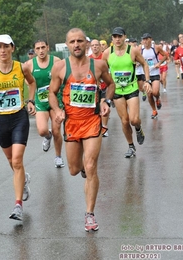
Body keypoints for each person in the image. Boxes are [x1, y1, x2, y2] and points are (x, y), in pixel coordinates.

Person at [48, 28, 115, 231]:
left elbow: (110, 85)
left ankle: (89, 214)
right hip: (72, 124)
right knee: (74, 169)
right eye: (72, 41)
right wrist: (57, 109)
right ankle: (84, 168)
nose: (76, 44)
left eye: (79, 41)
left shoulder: (99, 65)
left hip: (92, 121)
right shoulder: (60, 67)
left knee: (92, 165)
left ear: (86, 44)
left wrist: (106, 100)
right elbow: (52, 93)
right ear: (67, 45)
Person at [0, 34, 36, 221]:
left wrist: (31, 100)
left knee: (17, 160)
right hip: (0, 120)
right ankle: (23, 180)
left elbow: (32, 82)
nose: (2, 50)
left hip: (19, 117)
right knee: (11, 160)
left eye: (6, 46)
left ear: (12, 48)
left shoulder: (21, 67)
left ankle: (18, 205)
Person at [101, 27, 152, 158]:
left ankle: (138, 128)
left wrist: (147, 81)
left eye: (120, 36)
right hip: (117, 90)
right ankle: (131, 146)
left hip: (132, 88)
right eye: (115, 37)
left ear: (125, 37)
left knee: (134, 120)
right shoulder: (107, 53)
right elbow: (101, 70)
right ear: (112, 39)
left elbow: (145, 64)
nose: (117, 39)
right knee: (124, 121)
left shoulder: (132, 51)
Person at [24, 39, 64, 167]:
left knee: (57, 131)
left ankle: (58, 157)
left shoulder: (57, 61)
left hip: (56, 101)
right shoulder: (29, 64)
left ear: (48, 47)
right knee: (42, 130)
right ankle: (48, 136)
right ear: (34, 50)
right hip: (40, 102)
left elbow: (65, 78)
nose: (41, 51)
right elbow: (28, 82)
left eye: (43, 47)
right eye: (38, 48)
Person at [135, 33, 168, 119]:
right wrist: (137, 63)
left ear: (151, 39)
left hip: (155, 73)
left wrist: (159, 63)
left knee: (155, 92)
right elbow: (133, 58)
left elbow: (165, 55)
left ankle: (157, 99)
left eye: (146, 39)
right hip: (145, 75)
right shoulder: (139, 49)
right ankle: (154, 110)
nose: (145, 41)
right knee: (149, 94)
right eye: (143, 39)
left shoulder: (156, 48)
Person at [89, 39, 111, 137]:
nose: (95, 47)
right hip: (94, 88)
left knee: (104, 105)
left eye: (97, 45)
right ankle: (96, 125)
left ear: (100, 46)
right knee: (95, 108)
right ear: (90, 47)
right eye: (93, 45)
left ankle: (104, 127)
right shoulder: (88, 59)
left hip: (105, 86)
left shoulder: (105, 57)